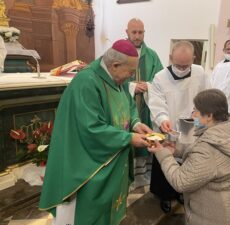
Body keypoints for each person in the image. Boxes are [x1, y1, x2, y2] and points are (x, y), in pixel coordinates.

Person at [39, 39, 152, 225]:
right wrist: (129, 138)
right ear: (115, 65)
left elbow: (128, 104)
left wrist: (135, 123)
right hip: (88, 162)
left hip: (112, 156)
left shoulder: (117, 78)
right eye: (130, 72)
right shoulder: (86, 82)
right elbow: (91, 128)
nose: (131, 78)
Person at [148, 89, 230, 225]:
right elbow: (208, 160)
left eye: (195, 111)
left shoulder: (208, 149)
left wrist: (162, 153)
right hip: (227, 205)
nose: (192, 115)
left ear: (209, 115)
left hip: (211, 216)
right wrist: (177, 150)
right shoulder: (229, 128)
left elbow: (181, 181)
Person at [148, 40, 207, 213]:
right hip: (169, 125)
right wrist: (162, 119)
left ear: (194, 59)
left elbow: (205, 97)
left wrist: (200, 120)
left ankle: (183, 191)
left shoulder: (200, 72)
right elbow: (157, 102)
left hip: (192, 125)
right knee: (166, 159)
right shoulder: (160, 77)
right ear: (170, 58)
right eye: (177, 65)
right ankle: (164, 195)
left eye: (185, 65)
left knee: (189, 159)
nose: (181, 69)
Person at [125, 18, 163, 189]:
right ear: (127, 32)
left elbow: (161, 80)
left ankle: (143, 175)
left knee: (146, 133)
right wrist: (132, 86)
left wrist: (147, 85)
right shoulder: (118, 52)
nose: (137, 36)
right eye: (134, 32)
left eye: (141, 32)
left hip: (146, 107)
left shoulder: (152, 55)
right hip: (125, 105)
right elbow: (111, 80)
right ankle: (127, 176)